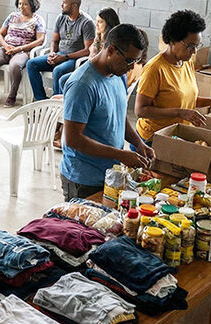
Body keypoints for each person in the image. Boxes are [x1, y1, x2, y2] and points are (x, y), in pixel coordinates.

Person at [60, 24, 154, 199]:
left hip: (109, 174)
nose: (132, 67)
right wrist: (120, 154)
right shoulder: (83, 85)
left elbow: (118, 115)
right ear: (111, 50)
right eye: (128, 60)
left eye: (135, 61)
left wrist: (139, 143)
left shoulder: (118, 75)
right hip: (83, 179)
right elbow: (73, 139)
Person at [134, 10, 211, 145]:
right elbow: (140, 110)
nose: (195, 51)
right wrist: (180, 113)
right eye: (190, 46)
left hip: (177, 135)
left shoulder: (186, 62)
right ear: (173, 41)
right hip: (154, 138)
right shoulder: (155, 69)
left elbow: (185, 99)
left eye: (197, 46)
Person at [25, 0, 98, 101]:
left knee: (58, 70)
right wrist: (52, 53)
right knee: (31, 64)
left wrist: (64, 57)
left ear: (74, 6)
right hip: (59, 55)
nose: (61, 5)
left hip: (74, 59)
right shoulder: (61, 18)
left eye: (64, 3)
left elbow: (88, 50)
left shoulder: (87, 23)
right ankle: (41, 100)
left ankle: (56, 105)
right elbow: (54, 40)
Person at [0, 0, 45, 107]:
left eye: (25, 4)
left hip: (23, 51)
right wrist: (6, 46)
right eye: (20, 3)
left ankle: (12, 95)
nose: (21, 6)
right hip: (7, 48)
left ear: (32, 5)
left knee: (15, 66)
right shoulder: (12, 16)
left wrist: (19, 48)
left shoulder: (38, 20)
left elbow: (40, 40)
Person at [52, 7, 120, 96]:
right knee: (63, 80)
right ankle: (63, 103)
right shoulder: (98, 38)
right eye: (96, 21)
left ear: (109, 24)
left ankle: (66, 103)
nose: (96, 24)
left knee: (64, 80)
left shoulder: (111, 42)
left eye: (100, 22)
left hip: (98, 74)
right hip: (89, 69)